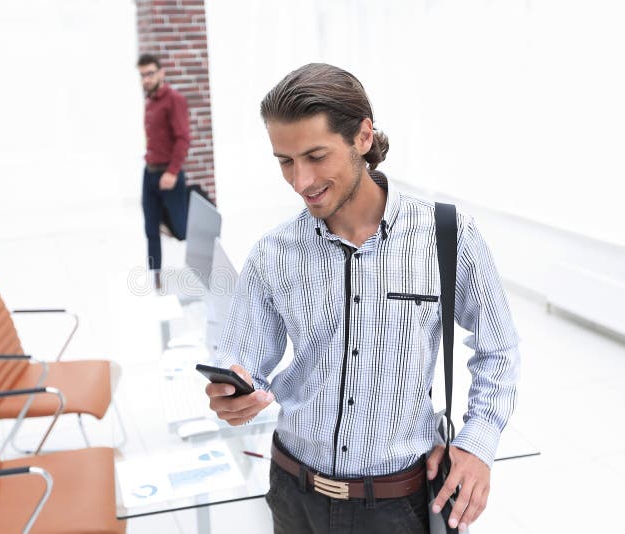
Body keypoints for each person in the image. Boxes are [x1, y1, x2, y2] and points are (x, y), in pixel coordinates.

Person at [206, 63, 521, 534]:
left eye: (315, 156)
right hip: (294, 493)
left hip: (397, 505)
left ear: (363, 137)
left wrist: (477, 443)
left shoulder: (446, 235)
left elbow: (499, 348)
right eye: (285, 161)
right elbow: (245, 356)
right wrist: (234, 388)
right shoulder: (273, 252)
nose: (300, 181)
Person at [137, 53, 191, 289]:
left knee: (181, 229)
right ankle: (156, 280)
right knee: (150, 229)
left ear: (161, 73)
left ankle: (202, 271)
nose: (146, 79)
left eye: (150, 73)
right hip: (149, 173)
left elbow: (183, 138)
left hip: (169, 174)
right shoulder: (150, 101)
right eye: (142, 75)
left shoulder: (174, 99)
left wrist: (172, 172)